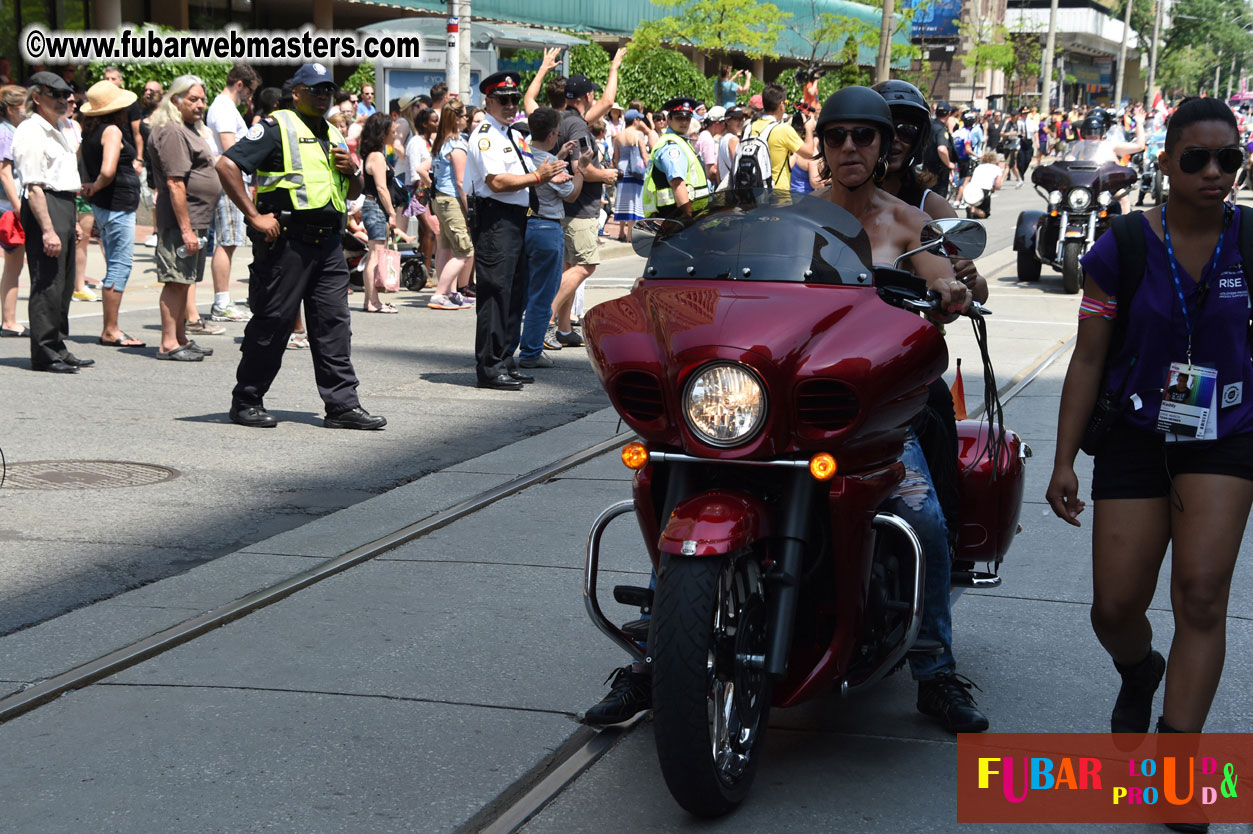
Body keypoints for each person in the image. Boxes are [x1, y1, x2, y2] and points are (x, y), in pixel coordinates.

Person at [1047, 100, 1252, 800]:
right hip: (1135, 434)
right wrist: (1063, 458)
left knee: (1200, 597)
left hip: (1224, 437)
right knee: (1113, 608)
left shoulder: (1250, 239)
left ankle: (1176, 771)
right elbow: (1084, 359)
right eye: (1195, 158)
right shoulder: (1120, 247)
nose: (1214, 171)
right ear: (1163, 163)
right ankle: (1138, 668)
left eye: (1229, 158)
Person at [216, 62, 386, 430]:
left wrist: (352, 170)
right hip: (287, 243)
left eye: (328, 90)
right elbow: (227, 165)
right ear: (296, 93)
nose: (323, 96)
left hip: (328, 247)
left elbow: (353, 192)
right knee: (273, 323)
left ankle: (342, 406)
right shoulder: (278, 125)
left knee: (334, 326)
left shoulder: (333, 133)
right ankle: (247, 399)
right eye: (315, 89)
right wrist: (254, 216)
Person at [463, 70, 567, 390]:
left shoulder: (512, 134)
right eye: (504, 100)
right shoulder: (486, 135)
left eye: (513, 99)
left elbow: (522, 172)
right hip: (496, 219)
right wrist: (539, 177)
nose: (511, 105)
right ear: (489, 101)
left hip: (518, 218)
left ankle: (507, 359)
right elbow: (496, 181)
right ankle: (490, 367)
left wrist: (542, 174)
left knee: (515, 294)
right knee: (496, 294)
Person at [11, 72, 89, 373]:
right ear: (37, 97)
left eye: (65, 95)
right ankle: (44, 351)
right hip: (45, 203)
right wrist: (47, 229)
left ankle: (57, 344)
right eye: (54, 95)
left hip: (64, 204)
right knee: (48, 282)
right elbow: (34, 186)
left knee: (65, 282)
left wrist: (74, 222)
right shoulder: (31, 130)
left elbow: (66, 179)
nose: (62, 100)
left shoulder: (61, 128)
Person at [147, 74, 220, 362]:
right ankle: (168, 343)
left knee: (185, 278)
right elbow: (175, 183)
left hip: (196, 218)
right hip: (181, 221)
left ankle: (180, 336)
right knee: (175, 280)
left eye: (202, 99)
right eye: (193, 99)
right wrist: (187, 230)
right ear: (175, 100)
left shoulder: (188, 129)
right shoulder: (173, 131)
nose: (200, 104)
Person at [547, 74, 619, 350]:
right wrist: (605, 175)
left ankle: (564, 328)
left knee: (569, 267)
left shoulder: (562, 119)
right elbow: (583, 168)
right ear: (587, 97)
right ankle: (546, 320)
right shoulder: (577, 124)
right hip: (579, 208)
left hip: (566, 206)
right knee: (585, 265)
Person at [518, 106, 591, 370]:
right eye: (557, 133)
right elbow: (571, 193)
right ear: (551, 134)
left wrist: (557, 155)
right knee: (542, 294)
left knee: (523, 293)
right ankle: (530, 352)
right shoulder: (548, 165)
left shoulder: (524, 154)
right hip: (546, 228)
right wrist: (580, 168)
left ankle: (514, 347)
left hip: (524, 226)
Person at [79, 80, 143, 348]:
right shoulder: (113, 131)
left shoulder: (90, 133)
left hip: (107, 204)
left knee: (115, 262)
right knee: (119, 265)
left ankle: (111, 327)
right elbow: (108, 170)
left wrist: (89, 186)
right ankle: (111, 329)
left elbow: (80, 161)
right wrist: (96, 185)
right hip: (117, 204)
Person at [204, 63, 260, 324]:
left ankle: (222, 301)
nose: (249, 97)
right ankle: (221, 302)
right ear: (240, 84)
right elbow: (230, 150)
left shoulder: (224, 108)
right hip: (229, 181)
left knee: (229, 241)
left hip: (232, 180)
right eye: (249, 91)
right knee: (226, 242)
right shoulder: (224, 109)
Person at [428, 98, 475, 311]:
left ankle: (448, 292)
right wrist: (469, 209)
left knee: (445, 248)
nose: (467, 119)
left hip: (439, 199)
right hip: (451, 199)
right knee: (465, 250)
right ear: (456, 119)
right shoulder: (456, 145)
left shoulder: (441, 142)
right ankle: (440, 293)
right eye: (464, 115)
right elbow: (460, 181)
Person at [358, 112, 401, 314]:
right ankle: (373, 301)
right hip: (376, 206)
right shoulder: (376, 156)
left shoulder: (374, 154)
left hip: (373, 206)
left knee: (375, 253)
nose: (395, 133)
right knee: (375, 254)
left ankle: (370, 299)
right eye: (392, 131)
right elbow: (381, 188)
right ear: (383, 133)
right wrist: (392, 213)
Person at [641, 98, 710, 220]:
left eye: (687, 118)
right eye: (679, 118)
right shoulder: (672, 147)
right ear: (669, 119)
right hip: (677, 216)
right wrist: (688, 217)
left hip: (681, 215)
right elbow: (677, 184)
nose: (684, 122)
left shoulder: (681, 142)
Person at [748, 83, 815, 190]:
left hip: (754, 193)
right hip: (778, 195)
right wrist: (809, 128)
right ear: (781, 105)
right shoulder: (783, 129)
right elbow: (809, 152)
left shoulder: (749, 127)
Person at [0, 84, 27, 338]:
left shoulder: (11, 130)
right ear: (10, 109)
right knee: (14, 263)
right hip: (8, 207)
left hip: (8, 205)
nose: (28, 112)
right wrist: (19, 209)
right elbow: (5, 174)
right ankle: (8, 321)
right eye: (23, 108)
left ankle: (8, 319)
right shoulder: (6, 133)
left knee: (13, 264)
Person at [612, 108, 649, 241]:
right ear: (635, 120)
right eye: (638, 119)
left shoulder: (618, 136)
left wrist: (618, 169)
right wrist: (648, 167)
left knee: (622, 200)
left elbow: (616, 157)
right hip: (635, 169)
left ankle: (621, 232)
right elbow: (644, 155)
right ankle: (629, 235)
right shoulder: (638, 134)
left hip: (622, 169)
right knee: (634, 201)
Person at [923, 102, 958, 198]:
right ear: (949, 113)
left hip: (926, 167)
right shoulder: (941, 129)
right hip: (939, 171)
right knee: (938, 201)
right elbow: (942, 149)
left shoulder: (930, 124)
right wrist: (948, 163)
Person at [963, 150, 1004, 220]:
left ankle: (972, 208)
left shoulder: (979, 167)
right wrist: (994, 188)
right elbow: (998, 185)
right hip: (985, 189)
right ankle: (973, 210)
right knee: (985, 213)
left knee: (975, 204)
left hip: (972, 188)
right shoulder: (997, 168)